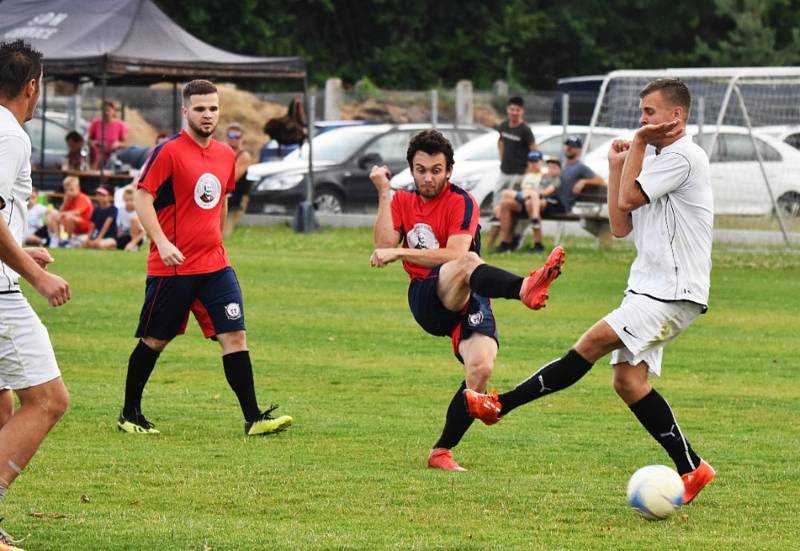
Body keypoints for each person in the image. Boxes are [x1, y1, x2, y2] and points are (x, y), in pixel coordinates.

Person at [463, 79, 716, 504]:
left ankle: (500, 405)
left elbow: (631, 199)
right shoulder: (656, 158)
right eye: (640, 112)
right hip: (648, 288)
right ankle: (692, 468)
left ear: (677, 116)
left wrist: (635, 144)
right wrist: (620, 164)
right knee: (628, 382)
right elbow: (620, 226)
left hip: (673, 289)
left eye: (649, 112)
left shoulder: (685, 156)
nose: (642, 119)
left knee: (591, 342)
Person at [369, 129, 565, 471]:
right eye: (420, 170)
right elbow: (384, 244)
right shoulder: (401, 200)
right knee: (470, 262)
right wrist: (385, 193)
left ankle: (441, 451)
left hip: (469, 294)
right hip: (428, 297)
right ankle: (523, 288)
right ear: (411, 169)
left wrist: (399, 252)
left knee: (481, 369)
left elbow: (454, 252)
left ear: (449, 170)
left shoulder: (462, 200)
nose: (428, 177)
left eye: (435, 170)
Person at [117, 79, 292, 437]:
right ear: (186, 111)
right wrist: (162, 243)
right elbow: (142, 197)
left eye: (213, 108)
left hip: (215, 266)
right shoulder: (168, 152)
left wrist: (218, 239)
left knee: (235, 335)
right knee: (155, 340)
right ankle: (129, 414)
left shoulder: (226, 155)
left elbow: (223, 200)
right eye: (200, 109)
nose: (208, 115)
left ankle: (253, 418)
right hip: (174, 267)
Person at [0, 38, 72, 548]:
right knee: (47, 400)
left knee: (3, 408)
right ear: (33, 86)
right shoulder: (11, 136)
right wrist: (35, 275)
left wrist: (26, 251)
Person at [486, 96, 537, 250]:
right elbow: (500, 142)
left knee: (510, 206)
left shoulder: (525, 130)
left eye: (518, 110)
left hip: (519, 173)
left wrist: (529, 172)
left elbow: (534, 151)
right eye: (512, 109)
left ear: (522, 111)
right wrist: (502, 159)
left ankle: (512, 239)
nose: (514, 112)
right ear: (508, 109)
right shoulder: (503, 126)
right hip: (504, 172)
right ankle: (495, 244)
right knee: (497, 208)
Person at [494, 150, 547, 253]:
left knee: (530, 202)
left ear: (541, 162)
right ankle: (505, 242)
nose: (533, 164)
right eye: (531, 161)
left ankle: (538, 244)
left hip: (538, 201)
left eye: (536, 161)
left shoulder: (545, 175)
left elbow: (546, 191)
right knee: (505, 203)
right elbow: (514, 191)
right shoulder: (523, 176)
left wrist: (532, 193)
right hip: (522, 200)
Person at [222, 123, 253, 237]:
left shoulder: (243, 156)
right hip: (223, 195)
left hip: (236, 198)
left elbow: (232, 179)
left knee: (225, 232)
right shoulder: (222, 152)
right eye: (231, 136)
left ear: (242, 138)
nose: (233, 139)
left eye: (237, 136)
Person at [46, 175, 93, 247]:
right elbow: (60, 212)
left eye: (71, 190)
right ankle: (56, 240)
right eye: (66, 190)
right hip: (72, 224)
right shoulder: (69, 198)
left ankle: (69, 241)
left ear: (78, 188)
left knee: (69, 217)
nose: (68, 192)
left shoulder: (83, 198)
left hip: (85, 226)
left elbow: (76, 213)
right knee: (51, 215)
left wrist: (61, 214)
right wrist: (64, 203)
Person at [88, 100, 128, 169]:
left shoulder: (120, 125)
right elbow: (89, 140)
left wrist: (118, 144)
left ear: (113, 111)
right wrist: (94, 143)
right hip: (97, 159)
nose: (106, 113)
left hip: (113, 158)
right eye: (104, 110)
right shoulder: (96, 123)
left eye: (108, 110)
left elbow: (125, 144)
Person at [115, 187, 145, 251]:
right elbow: (120, 226)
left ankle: (134, 245)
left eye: (131, 200)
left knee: (133, 219)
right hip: (125, 235)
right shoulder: (121, 211)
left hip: (137, 237)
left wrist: (133, 243)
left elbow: (143, 232)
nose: (129, 202)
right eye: (127, 200)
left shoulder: (139, 211)